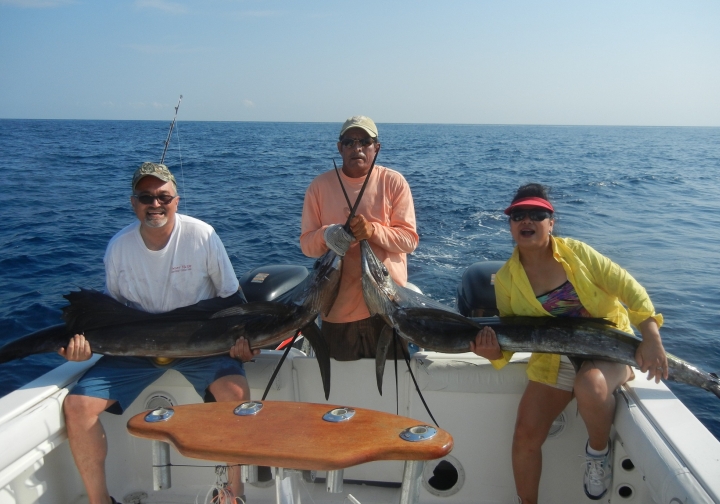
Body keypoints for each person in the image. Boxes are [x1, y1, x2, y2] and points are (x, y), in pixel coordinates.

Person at [60, 162, 255, 504]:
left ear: (176, 200)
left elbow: (233, 302)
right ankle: (99, 501)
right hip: (138, 348)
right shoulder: (118, 248)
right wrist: (82, 348)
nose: (155, 204)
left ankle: (232, 495)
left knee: (236, 395)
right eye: (145, 197)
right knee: (77, 406)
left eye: (163, 196)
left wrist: (244, 344)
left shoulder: (202, 236)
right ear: (133, 203)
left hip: (200, 346)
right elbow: (112, 317)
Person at [470, 183, 668, 504]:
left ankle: (597, 454)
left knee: (589, 385)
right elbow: (512, 333)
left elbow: (628, 287)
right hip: (554, 357)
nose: (526, 221)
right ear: (509, 224)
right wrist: (495, 354)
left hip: (606, 347)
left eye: (537, 214)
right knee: (525, 436)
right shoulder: (506, 279)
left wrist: (651, 336)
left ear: (551, 222)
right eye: (517, 215)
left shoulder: (579, 253)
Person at [300, 116, 419, 360]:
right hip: (337, 312)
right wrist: (327, 234)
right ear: (339, 147)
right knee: (341, 395)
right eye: (349, 142)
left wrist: (373, 231)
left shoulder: (394, 182)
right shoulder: (318, 187)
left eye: (365, 142)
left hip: (388, 311)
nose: (357, 148)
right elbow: (307, 246)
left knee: (392, 395)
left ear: (377, 147)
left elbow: (409, 240)